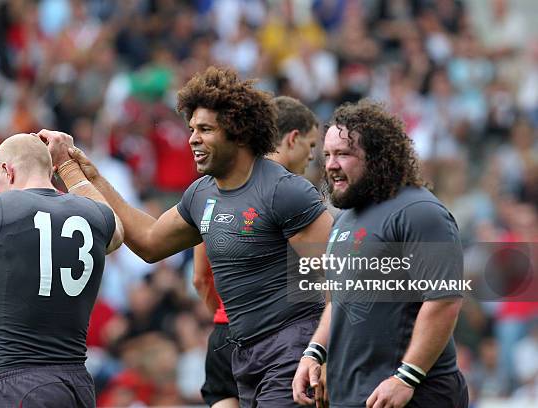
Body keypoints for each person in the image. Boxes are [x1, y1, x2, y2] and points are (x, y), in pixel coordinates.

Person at [48, 67, 333, 407]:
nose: (192, 139)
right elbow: (150, 242)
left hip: (292, 351)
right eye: (192, 129)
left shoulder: (285, 191)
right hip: (243, 356)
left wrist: (321, 354)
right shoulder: (201, 194)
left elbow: (344, 277)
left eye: (205, 129)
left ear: (238, 133)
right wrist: (92, 176)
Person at [292, 100, 469, 408]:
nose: (331, 164)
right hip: (353, 397)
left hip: (413, 395)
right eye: (328, 155)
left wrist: (406, 378)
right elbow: (339, 299)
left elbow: (444, 300)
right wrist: (315, 354)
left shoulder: (420, 211)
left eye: (344, 154)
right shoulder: (345, 219)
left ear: (376, 157)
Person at [0, 133, 124, 407]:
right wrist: (69, 166)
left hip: (18, 385)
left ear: (8, 171)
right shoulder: (93, 216)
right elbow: (117, 229)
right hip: (77, 386)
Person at [194, 95, 320, 408]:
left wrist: (225, 314)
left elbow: (200, 278)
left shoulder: (214, 191)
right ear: (293, 138)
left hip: (225, 336)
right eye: (312, 146)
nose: (312, 157)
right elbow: (333, 277)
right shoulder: (292, 194)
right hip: (285, 342)